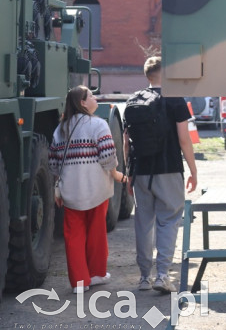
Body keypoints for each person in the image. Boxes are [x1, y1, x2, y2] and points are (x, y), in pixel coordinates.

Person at [124, 56, 198, 294]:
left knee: (143, 223)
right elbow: (184, 139)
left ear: (147, 75)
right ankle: (163, 275)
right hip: (169, 168)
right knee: (168, 220)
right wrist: (193, 170)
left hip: (141, 172)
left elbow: (126, 142)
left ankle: (144, 277)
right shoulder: (175, 100)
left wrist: (129, 173)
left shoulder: (133, 100)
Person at [49, 85, 127, 293]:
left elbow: (54, 163)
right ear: (82, 103)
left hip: (71, 191)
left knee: (73, 236)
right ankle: (97, 273)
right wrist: (116, 174)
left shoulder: (60, 129)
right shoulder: (98, 124)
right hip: (97, 188)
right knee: (96, 232)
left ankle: (79, 282)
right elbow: (108, 156)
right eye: (91, 96)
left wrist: (57, 188)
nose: (95, 99)